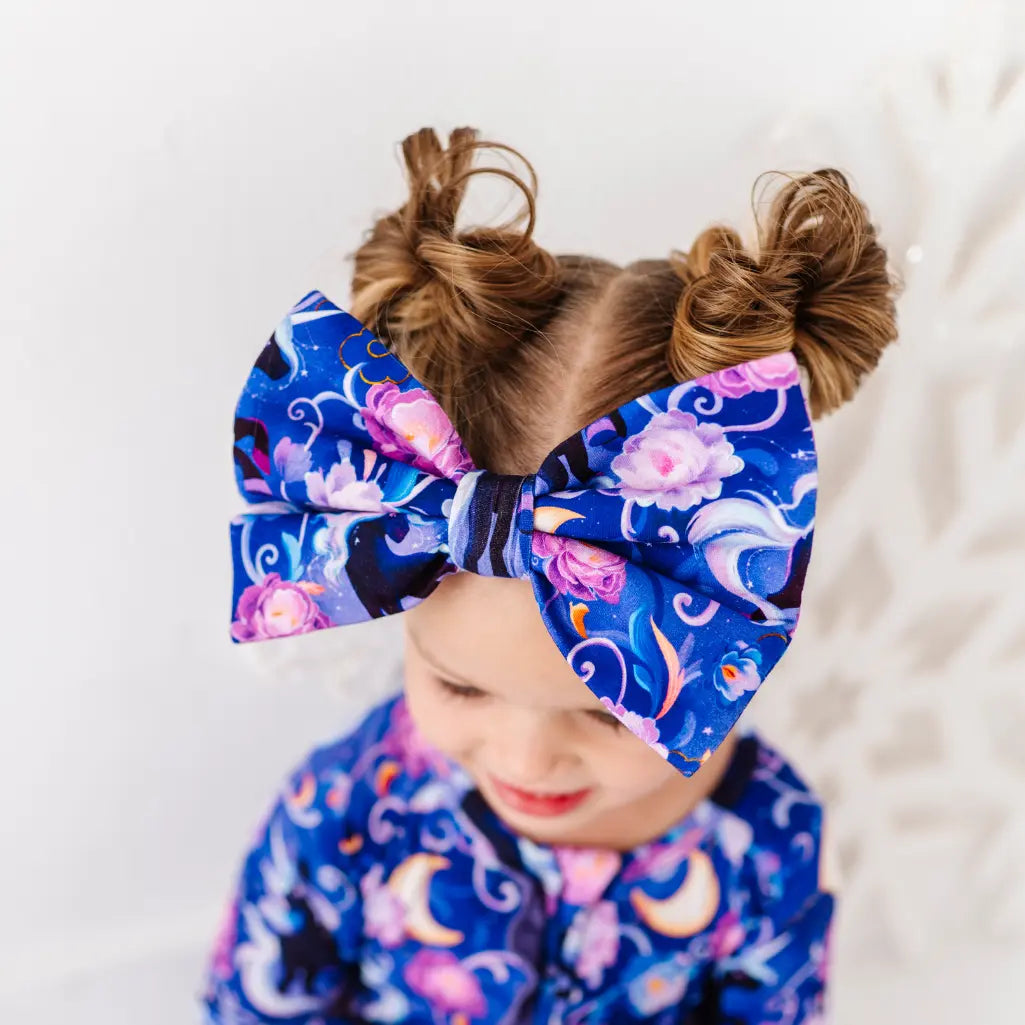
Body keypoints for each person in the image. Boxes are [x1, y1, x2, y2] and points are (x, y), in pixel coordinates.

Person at [203, 126, 900, 1024]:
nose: (526, 759)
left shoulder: (769, 845)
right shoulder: (345, 806)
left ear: (728, 622)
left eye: (610, 706)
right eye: (458, 685)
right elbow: (255, 1002)